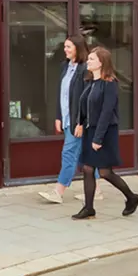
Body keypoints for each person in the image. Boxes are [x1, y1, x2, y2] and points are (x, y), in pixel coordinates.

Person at [72, 45, 138, 219]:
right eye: (88, 59)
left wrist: (98, 138)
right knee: (88, 169)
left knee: (105, 172)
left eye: (92, 59)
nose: (88, 62)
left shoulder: (109, 84)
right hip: (90, 130)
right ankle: (89, 208)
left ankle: (132, 197)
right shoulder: (90, 82)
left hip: (104, 132)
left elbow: (106, 112)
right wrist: (80, 123)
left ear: (101, 63)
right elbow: (84, 104)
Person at [39, 36, 89, 205]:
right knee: (84, 155)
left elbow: (86, 99)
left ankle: (58, 192)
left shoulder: (85, 69)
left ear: (78, 49)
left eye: (69, 47)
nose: (65, 50)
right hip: (67, 119)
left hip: (78, 121)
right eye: (65, 46)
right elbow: (61, 94)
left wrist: (81, 122)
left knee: (68, 153)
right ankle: (96, 191)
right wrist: (59, 116)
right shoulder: (65, 67)